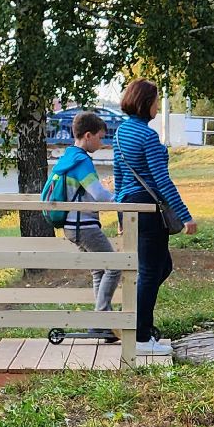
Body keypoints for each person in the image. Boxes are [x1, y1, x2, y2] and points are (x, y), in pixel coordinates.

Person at [112, 79, 195, 356]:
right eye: (156, 101)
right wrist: (185, 216)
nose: (158, 106)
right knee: (150, 272)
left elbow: (119, 178)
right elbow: (162, 181)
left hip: (130, 207)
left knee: (161, 268)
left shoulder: (121, 132)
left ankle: (135, 322)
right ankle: (140, 337)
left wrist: (121, 217)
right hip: (148, 209)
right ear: (145, 102)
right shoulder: (147, 137)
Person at [49, 111, 119, 337]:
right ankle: (101, 320)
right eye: (100, 137)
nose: (102, 143)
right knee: (115, 265)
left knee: (100, 269)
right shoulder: (82, 161)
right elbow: (98, 194)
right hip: (84, 225)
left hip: (71, 226)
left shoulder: (67, 157)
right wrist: (120, 198)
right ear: (87, 135)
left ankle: (100, 321)